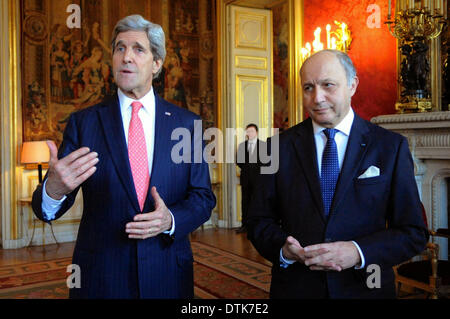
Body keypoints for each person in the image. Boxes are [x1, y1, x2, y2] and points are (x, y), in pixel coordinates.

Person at [31, 15, 216, 299]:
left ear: (156, 63)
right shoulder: (85, 123)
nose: (126, 57)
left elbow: (203, 197)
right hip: (101, 275)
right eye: (119, 48)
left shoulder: (186, 125)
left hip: (167, 272)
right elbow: (49, 207)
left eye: (138, 49)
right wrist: (53, 189)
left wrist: (170, 220)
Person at [246, 50, 428, 299]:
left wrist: (357, 251)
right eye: (308, 87)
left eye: (328, 85)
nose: (317, 98)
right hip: (297, 289)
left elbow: (412, 232)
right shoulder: (275, 148)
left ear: (352, 85)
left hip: (366, 289)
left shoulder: (390, 147)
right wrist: (283, 249)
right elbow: (258, 221)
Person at [236, 124, 264, 233]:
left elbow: (265, 163)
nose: (249, 133)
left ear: (256, 132)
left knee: (257, 202)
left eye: (251, 131)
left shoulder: (263, 145)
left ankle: (257, 226)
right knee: (245, 202)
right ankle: (245, 225)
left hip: (259, 180)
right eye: (247, 131)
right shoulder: (242, 146)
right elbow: (238, 161)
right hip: (246, 179)